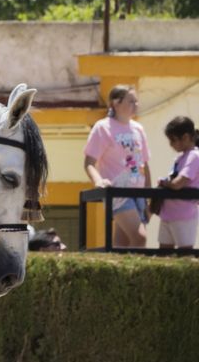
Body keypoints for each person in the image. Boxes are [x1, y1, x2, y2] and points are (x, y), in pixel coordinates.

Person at [83, 85, 151, 249]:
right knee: (139, 237)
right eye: (131, 101)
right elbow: (89, 162)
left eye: (136, 101)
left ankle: (120, 274)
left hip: (138, 192)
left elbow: (145, 164)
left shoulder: (138, 128)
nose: (136, 105)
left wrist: (149, 194)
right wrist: (99, 181)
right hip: (118, 191)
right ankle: (137, 274)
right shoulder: (103, 127)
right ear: (115, 103)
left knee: (122, 243)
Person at [155, 115, 198, 249]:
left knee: (185, 257)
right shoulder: (180, 157)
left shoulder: (194, 156)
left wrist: (163, 182)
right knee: (163, 258)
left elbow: (177, 184)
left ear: (185, 137)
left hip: (183, 215)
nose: (171, 144)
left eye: (173, 140)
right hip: (168, 214)